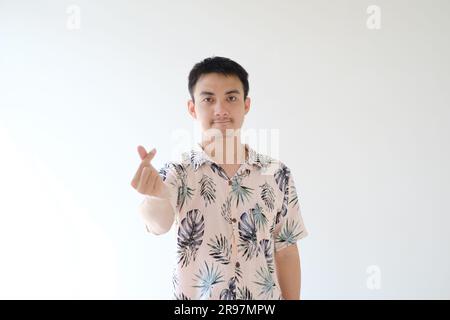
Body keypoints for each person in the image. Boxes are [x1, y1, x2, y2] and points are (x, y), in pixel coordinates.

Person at [130, 56, 308, 300]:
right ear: (192, 108)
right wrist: (155, 196)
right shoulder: (176, 172)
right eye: (208, 99)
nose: (221, 110)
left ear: (246, 104)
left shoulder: (276, 173)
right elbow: (157, 225)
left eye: (231, 98)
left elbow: (286, 250)